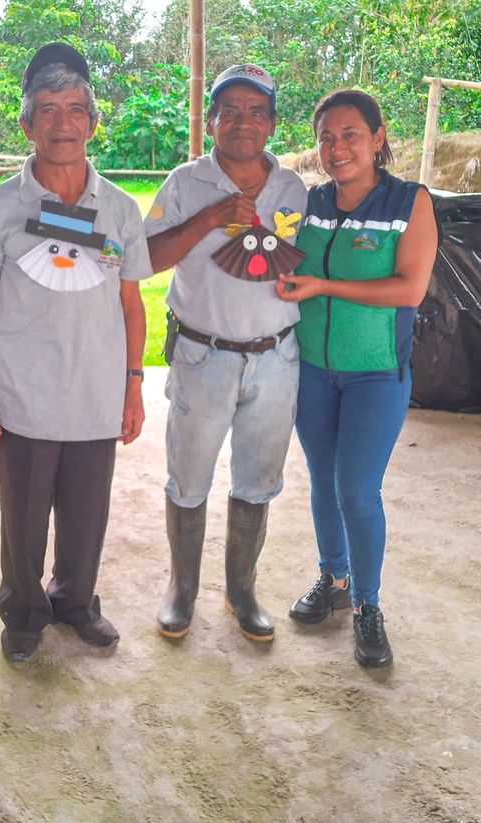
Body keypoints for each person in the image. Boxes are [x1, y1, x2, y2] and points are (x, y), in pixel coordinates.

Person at [0, 43, 151, 663]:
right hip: (24, 396)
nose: (62, 123)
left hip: (97, 394)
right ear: (27, 124)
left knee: (87, 515)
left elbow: (132, 305)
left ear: (93, 123)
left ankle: (75, 603)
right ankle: (23, 612)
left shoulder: (120, 209)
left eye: (74, 110)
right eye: (47, 110)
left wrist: (133, 386)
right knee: (22, 517)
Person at [144, 64, 308, 643]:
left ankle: (241, 590)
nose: (243, 122)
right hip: (203, 355)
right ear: (211, 120)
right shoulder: (185, 183)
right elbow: (146, 258)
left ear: (272, 124)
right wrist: (210, 217)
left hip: (276, 358)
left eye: (256, 112)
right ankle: (182, 588)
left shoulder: (294, 188)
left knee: (258, 479)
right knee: (188, 478)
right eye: (230, 111)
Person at [278, 90, 440, 667]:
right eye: (326, 137)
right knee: (324, 483)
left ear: (377, 137)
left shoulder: (409, 202)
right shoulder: (310, 203)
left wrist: (325, 287)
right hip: (312, 373)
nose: (336, 148)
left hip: (376, 375)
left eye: (349, 134)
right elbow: (278, 257)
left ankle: (369, 606)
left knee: (357, 491)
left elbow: (409, 290)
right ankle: (335, 580)